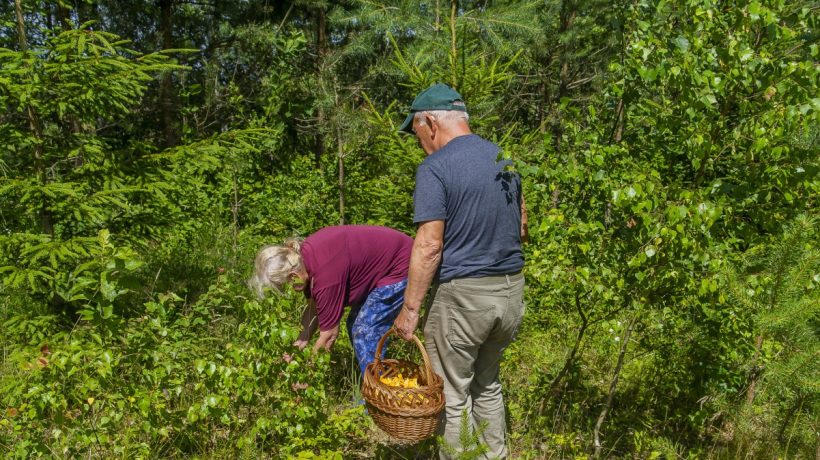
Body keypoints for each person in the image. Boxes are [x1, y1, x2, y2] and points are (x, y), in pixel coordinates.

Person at [393, 83, 527, 459]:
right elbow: (522, 227)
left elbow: (430, 244)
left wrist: (411, 308)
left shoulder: (436, 167)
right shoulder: (503, 158)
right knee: (488, 386)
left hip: (464, 299)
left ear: (431, 122)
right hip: (510, 294)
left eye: (415, 131)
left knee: (451, 395)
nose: (417, 140)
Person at [250, 225, 413, 375]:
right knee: (355, 324)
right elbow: (313, 309)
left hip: (402, 264)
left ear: (293, 276)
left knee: (365, 331)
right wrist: (297, 349)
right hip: (389, 261)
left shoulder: (325, 277)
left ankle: (378, 396)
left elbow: (329, 336)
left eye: (286, 283)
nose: (290, 288)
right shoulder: (305, 258)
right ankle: (374, 385)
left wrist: (306, 375)